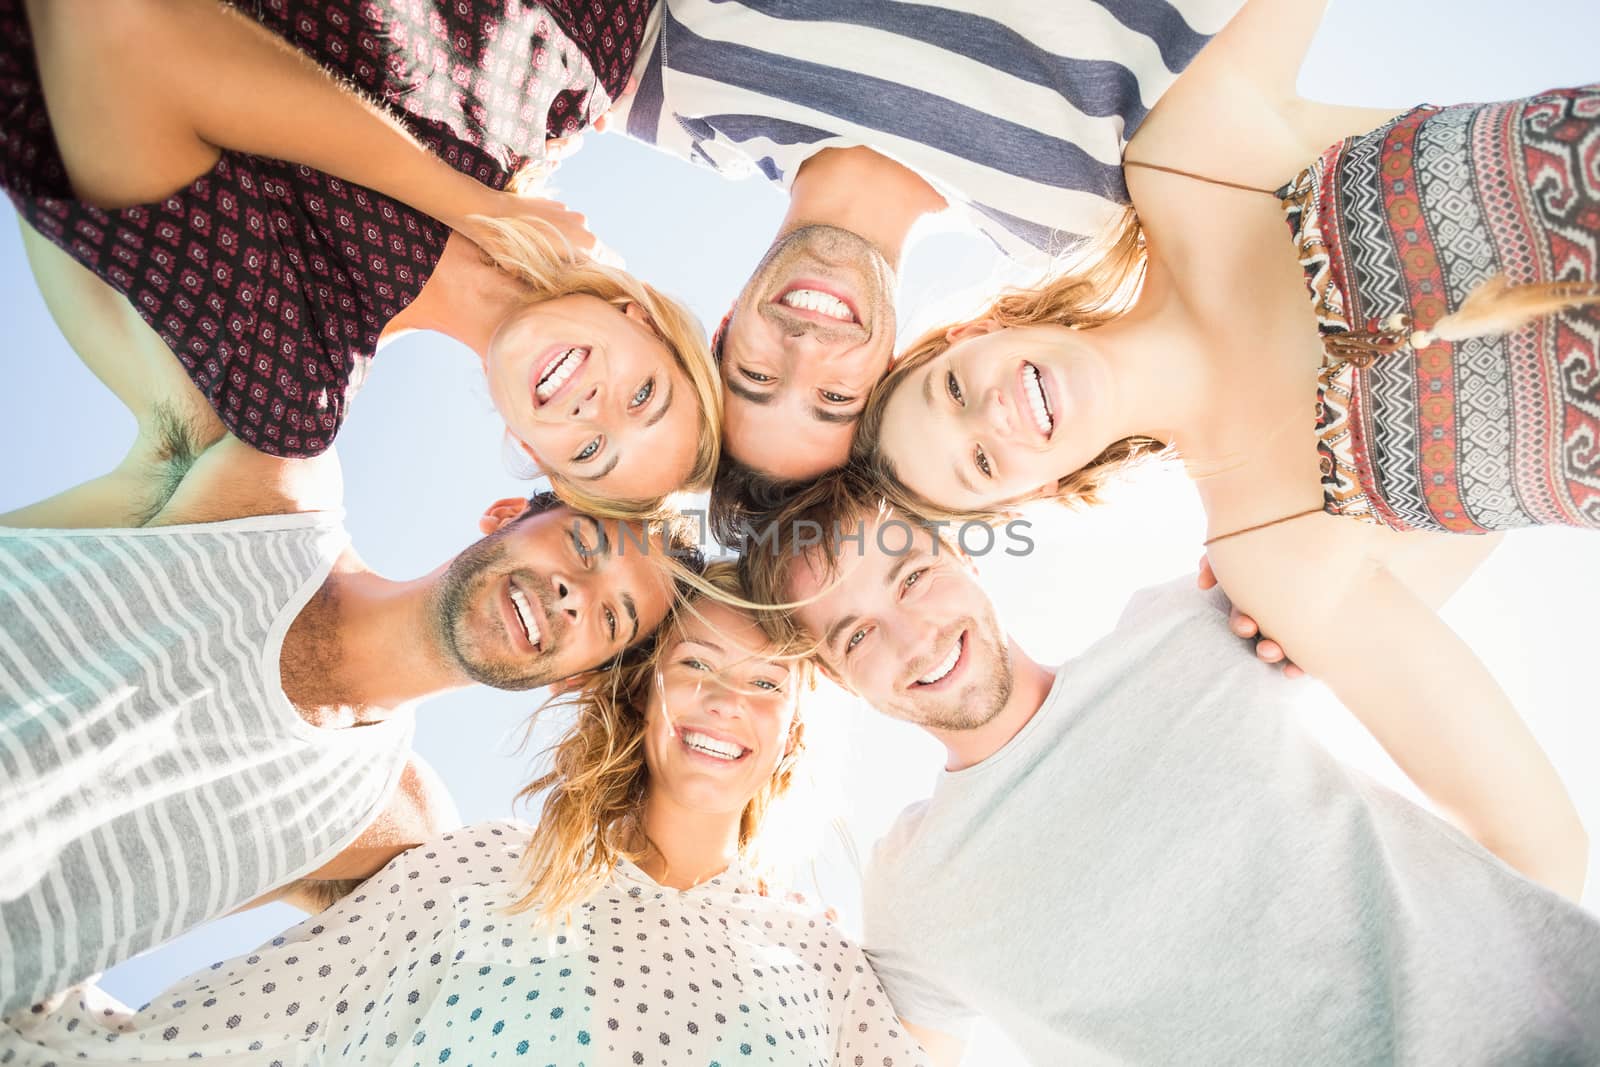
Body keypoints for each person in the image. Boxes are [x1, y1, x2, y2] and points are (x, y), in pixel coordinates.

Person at [854, 2, 1600, 781]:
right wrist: (1428, 546)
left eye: (951, 390)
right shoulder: (1270, 556)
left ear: (972, 333)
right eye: (979, 462)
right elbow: (1543, 848)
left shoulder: (1184, 158)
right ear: (1034, 490)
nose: (994, 417)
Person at [0, 230, 701, 1016]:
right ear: (505, 514)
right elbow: (90, 221)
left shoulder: (388, 826)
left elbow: (498, 1005)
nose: (574, 595)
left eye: (610, 616)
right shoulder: (268, 488)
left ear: (572, 673)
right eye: (582, 543)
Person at [737, 470, 1600, 1066]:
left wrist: (1290, 557)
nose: (911, 633)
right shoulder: (910, 894)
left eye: (914, 574)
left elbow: (1464, 509)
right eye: (855, 635)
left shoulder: (1187, 624)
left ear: (961, 556)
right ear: (836, 679)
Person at [1, 563, 932, 1067]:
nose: (725, 700)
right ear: (644, 696)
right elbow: (226, 1038)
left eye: (765, 682)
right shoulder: (482, 871)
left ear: (794, 734)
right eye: (694, 665)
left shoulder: (823, 963)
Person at [4, 0, 720, 516]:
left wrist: (470, 205)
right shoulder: (581, 53)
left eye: (591, 453)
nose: (597, 413)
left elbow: (111, 31)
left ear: (532, 451)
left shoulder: (296, 373)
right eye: (643, 396)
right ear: (642, 317)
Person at [591, 0, 1246, 508]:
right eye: (835, 395)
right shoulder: (1073, 215)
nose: (805, 349)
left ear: (728, 325)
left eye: (757, 378)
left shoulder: (676, 91)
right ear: (893, 366)